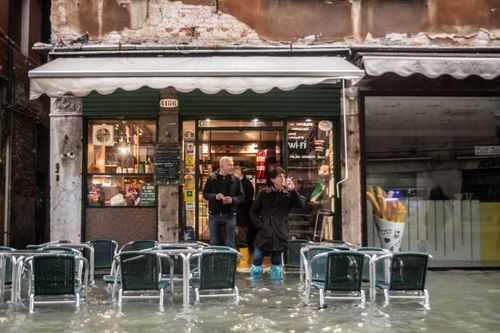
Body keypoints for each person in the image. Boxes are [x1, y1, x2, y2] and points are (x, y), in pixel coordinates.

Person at [249, 167, 305, 280]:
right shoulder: (264, 193)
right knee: (257, 259)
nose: (282, 179)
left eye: (284, 176)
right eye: (280, 176)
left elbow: (300, 205)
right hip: (264, 231)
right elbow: (253, 211)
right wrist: (260, 225)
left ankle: (275, 288)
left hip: (279, 231)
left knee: (276, 261)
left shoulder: (288, 194)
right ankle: (255, 284)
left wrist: (293, 190)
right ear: (273, 179)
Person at [203, 156, 245, 248]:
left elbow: (242, 197)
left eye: (232, 165)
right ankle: (214, 262)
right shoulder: (211, 178)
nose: (232, 167)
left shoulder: (236, 179)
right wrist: (215, 196)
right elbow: (205, 194)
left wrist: (232, 200)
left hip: (230, 215)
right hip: (214, 215)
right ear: (221, 166)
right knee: (214, 242)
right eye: (229, 165)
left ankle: (229, 262)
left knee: (230, 243)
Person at [233, 166, 255, 249]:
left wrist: (234, 201)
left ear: (239, 173)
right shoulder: (236, 183)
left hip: (243, 216)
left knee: (241, 239)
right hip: (236, 215)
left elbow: (248, 200)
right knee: (236, 238)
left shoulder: (247, 184)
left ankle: (243, 260)